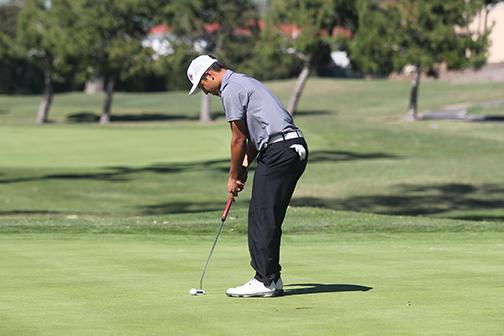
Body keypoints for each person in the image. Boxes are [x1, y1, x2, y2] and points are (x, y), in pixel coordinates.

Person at [187, 55, 308, 297]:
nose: (205, 92)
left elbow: (239, 139)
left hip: (279, 150)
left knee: (262, 216)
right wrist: (243, 168)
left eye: (202, 86)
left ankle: (265, 280)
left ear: (210, 75)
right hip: (291, 148)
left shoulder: (231, 89)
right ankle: (271, 278)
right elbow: (253, 137)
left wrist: (232, 176)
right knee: (267, 215)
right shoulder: (244, 82)